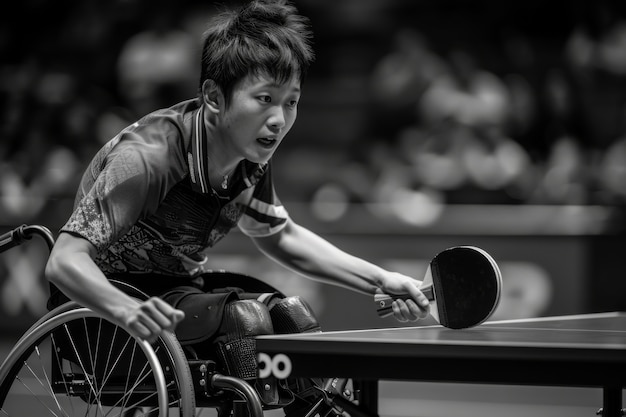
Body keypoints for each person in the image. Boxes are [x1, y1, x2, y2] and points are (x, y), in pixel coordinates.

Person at [45, 0, 430, 409]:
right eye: (264, 98)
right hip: (102, 315)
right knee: (245, 322)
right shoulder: (148, 157)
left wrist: (380, 279)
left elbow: (282, 238)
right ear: (213, 96)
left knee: (292, 317)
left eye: (290, 101)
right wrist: (126, 309)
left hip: (177, 302)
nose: (279, 119)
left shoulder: (250, 159)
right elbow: (64, 261)